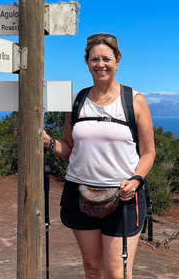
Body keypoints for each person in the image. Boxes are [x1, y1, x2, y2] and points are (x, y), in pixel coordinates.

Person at [43, 33, 156, 279]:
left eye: (106, 58)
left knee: (117, 272)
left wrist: (136, 180)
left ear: (117, 60)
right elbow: (69, 149)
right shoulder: (77, 102)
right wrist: (47, 142)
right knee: (93, 269)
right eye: (94, 59)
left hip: (123, 197)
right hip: (80, 194)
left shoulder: (133, 101)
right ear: (87, 62)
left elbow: (148, 152)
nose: (100, 64)